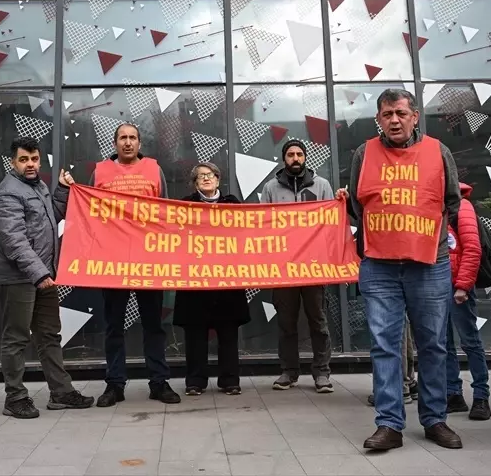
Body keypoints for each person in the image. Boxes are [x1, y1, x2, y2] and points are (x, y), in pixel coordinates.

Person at [348, 88, 463, 452]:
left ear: (415, 116)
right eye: (387, 114)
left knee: (433, 344)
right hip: (378, 266)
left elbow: (452, 202)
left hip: (429, 264)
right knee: (384, 345)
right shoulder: (363, 153)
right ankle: (389, 425)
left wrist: (424, 237)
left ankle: (434, 419)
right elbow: (356, 204)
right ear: (378, 119)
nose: (394, 120)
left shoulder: (438, 151)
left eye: (400, 113)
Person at [0, 136, 95, 419]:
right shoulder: (8, 193)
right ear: (12, 162)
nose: (30, 164)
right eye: (23, 160)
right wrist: (39, 274)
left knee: (49, 335)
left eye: (34, 159)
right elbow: (14, 241)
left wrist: (62, 190)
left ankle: (61, 393)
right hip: (18, 279)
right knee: (16, 338)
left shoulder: (39, 187)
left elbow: (51, 217)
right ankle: (15, 397)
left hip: (43, 276)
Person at [92, 122, 181, 406]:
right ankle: (114, 385)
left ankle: (159, 382)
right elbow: (90, 213)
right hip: (113, 262)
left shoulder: (154, 169)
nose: (128, 142)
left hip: (149, 260)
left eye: (132, 138)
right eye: (122, 138)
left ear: (140, 143)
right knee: (113, 326)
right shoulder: (100, 171)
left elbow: (165, 211)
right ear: (115, 143)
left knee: (154, 325)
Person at [260, 139, 345, 394]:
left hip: (314, 266)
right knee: (286, 322)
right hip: (283, 267)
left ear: (305, 157)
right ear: (283, 159)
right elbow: (262, 224)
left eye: (299, 154)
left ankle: (322, 373)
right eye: (290, 154)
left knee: (318, 321)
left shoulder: (322, 185)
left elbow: (332, 222)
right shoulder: (270, 187)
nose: (295, 158)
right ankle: (288, 371)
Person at [172, 163, 250, 397]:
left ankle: (230, 380)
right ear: (195, 183)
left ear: (218, 179)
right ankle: (195, 381)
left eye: (210, 175)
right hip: (195, 281)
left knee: (228, 333)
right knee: (195, 334)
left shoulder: (232, 204)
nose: (206, 179)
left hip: (227, 280)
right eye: (201, 176)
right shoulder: (185, 205)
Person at [445, 183, 491, 421]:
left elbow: (472, 248)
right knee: (443, 343)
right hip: (435, 286)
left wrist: (463, 285)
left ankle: (481, 396)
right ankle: (453, 394)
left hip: (456, 285)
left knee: (469, 341)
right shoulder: (433, 204)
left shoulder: (461, 206)